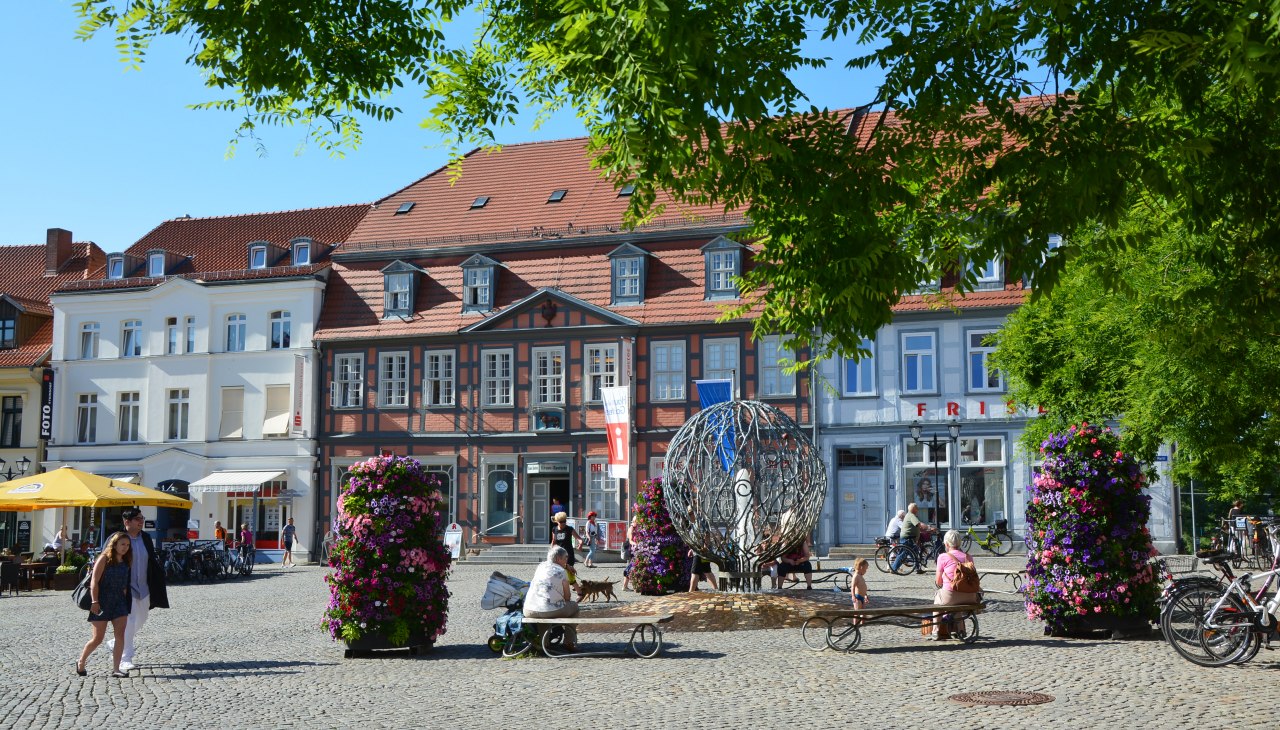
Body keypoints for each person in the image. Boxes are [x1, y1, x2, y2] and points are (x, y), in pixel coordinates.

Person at [114, 508, 168, 672]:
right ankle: (125, 658)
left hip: (144, 586)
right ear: (126, 522)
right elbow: (109, 559)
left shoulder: (145, 537)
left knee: (142, 618)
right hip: (126, 587)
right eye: (137, 519)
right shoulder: (118, 538)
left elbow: (151, 560)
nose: (141, 521)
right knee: (129, 622)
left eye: (142, 518)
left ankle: (115, 642)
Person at [77, 531, 133, 677]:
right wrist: (95, 601)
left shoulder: (127, 561)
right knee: (98, 638)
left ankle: (116, 669)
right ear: (114, 544)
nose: (125, 548)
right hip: (102, 601)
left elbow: (125, 583)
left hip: (119, 602)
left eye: (127, 545)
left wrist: (125, 598)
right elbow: (94, 582)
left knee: (120, 635)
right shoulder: (104, 559)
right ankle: (81, 662)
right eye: (122, 544)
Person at [523, 546, 579, 652]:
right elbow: (567, 597)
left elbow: (553, 564)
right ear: (558, 558)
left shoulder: (540, 566)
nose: (567, 559)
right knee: (574, 607)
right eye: (565, 557)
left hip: (529, 609)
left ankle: (544, 643)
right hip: (547, 610)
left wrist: (566, 565)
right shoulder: (562, 572)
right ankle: (568, 641)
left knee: (545, 606)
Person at [931, 529, 980, 640]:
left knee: (938, 600)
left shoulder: (943, 557)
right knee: (957, 602)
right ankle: (961, 630)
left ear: (947, 544)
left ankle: (935, 631)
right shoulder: (968, 557)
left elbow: (938, 581)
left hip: (951, 596)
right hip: (970, 596)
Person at [891, 503, 928, 574]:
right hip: (907, 538)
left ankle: (918, 568)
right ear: (914, 509)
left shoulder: (909, 515)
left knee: (914, 552)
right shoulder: (911, 515)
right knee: (904, 553)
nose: (918, 509)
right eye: (916, 507)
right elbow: (918, 524)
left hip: (908, 537)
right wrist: (928, 527)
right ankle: (894, 568)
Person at [549, 512, 580, 579]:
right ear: (557, 521)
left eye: (564, 521)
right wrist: (551, 552)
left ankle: (574, 586)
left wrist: (580, 543)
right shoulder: (554, 529)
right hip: (559, 555)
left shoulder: (569, 529)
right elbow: (553, 541)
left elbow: (579, 538)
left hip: (568, 555)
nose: (563, 523)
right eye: (561, 522)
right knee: (559, 573)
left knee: (569, 574)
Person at [850, 557, 870, 622]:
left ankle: (862, 624)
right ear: (861, 567)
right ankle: (855, 625)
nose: (866, 571)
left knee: (863, 612)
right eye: (865, 569)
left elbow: (863, 587)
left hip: (862, 597)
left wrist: (865, 595)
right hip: (857, 597)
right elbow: (852, 587)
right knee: (857, 613)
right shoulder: (856, 576)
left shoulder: (860, 576)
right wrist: (853, 596)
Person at [621, 515, 637, 591]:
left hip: (634, 550)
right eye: (637, 521)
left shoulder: (635, 528)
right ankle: (625, 586)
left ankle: (625, 586)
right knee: (630, 567)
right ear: (634, 522)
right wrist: (636, 544)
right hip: (631, 550)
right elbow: (630, 540)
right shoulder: (631, 529)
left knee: (631, 567)